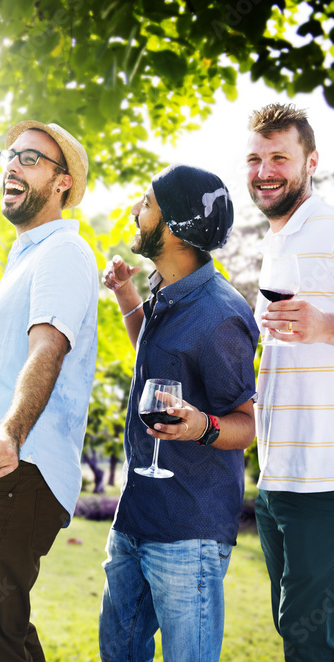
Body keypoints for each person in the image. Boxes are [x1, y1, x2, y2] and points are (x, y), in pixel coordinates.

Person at [0, 121, 98, 661]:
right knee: (3, 628)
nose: (12, 165)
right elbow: (9, 346)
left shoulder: (62, 251)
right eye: (11, 155)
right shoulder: (28, 256)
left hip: (19, 464)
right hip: (6, 464)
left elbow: (47, 350)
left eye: (31, 158)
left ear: (63, 183)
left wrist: (10, 435)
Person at [99, 165, 257, 661]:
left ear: (175, 227)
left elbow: (248, 424)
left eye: (146, 204)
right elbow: (157, 364)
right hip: (135, 516)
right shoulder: (165, 292)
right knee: (119, 654)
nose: (135, 212)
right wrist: (127, 295)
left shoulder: (220, 314)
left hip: (189, 533)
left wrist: (201, 427)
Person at [247, 103, 334, 661]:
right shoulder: (276, 241)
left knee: (308, 641)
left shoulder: (328, 224)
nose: (264, 171)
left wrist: (326, 325)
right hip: (277, 476)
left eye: (280, 157)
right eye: (255, 159)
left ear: (311, 161)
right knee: (294, 633)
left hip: (322, 482)